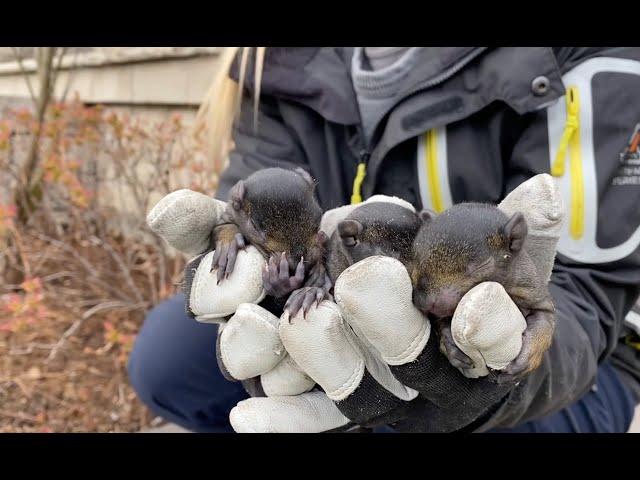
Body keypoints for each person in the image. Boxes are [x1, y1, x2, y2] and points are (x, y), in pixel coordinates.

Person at [128, 47, 640, 433]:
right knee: (173, 357)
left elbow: (585, 297)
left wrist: (491, 381)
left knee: (411, 409)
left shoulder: (584, 59)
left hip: (576, 367)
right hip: (345, 302)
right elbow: (253, 217)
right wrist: (264, 279)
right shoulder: (280, 61)